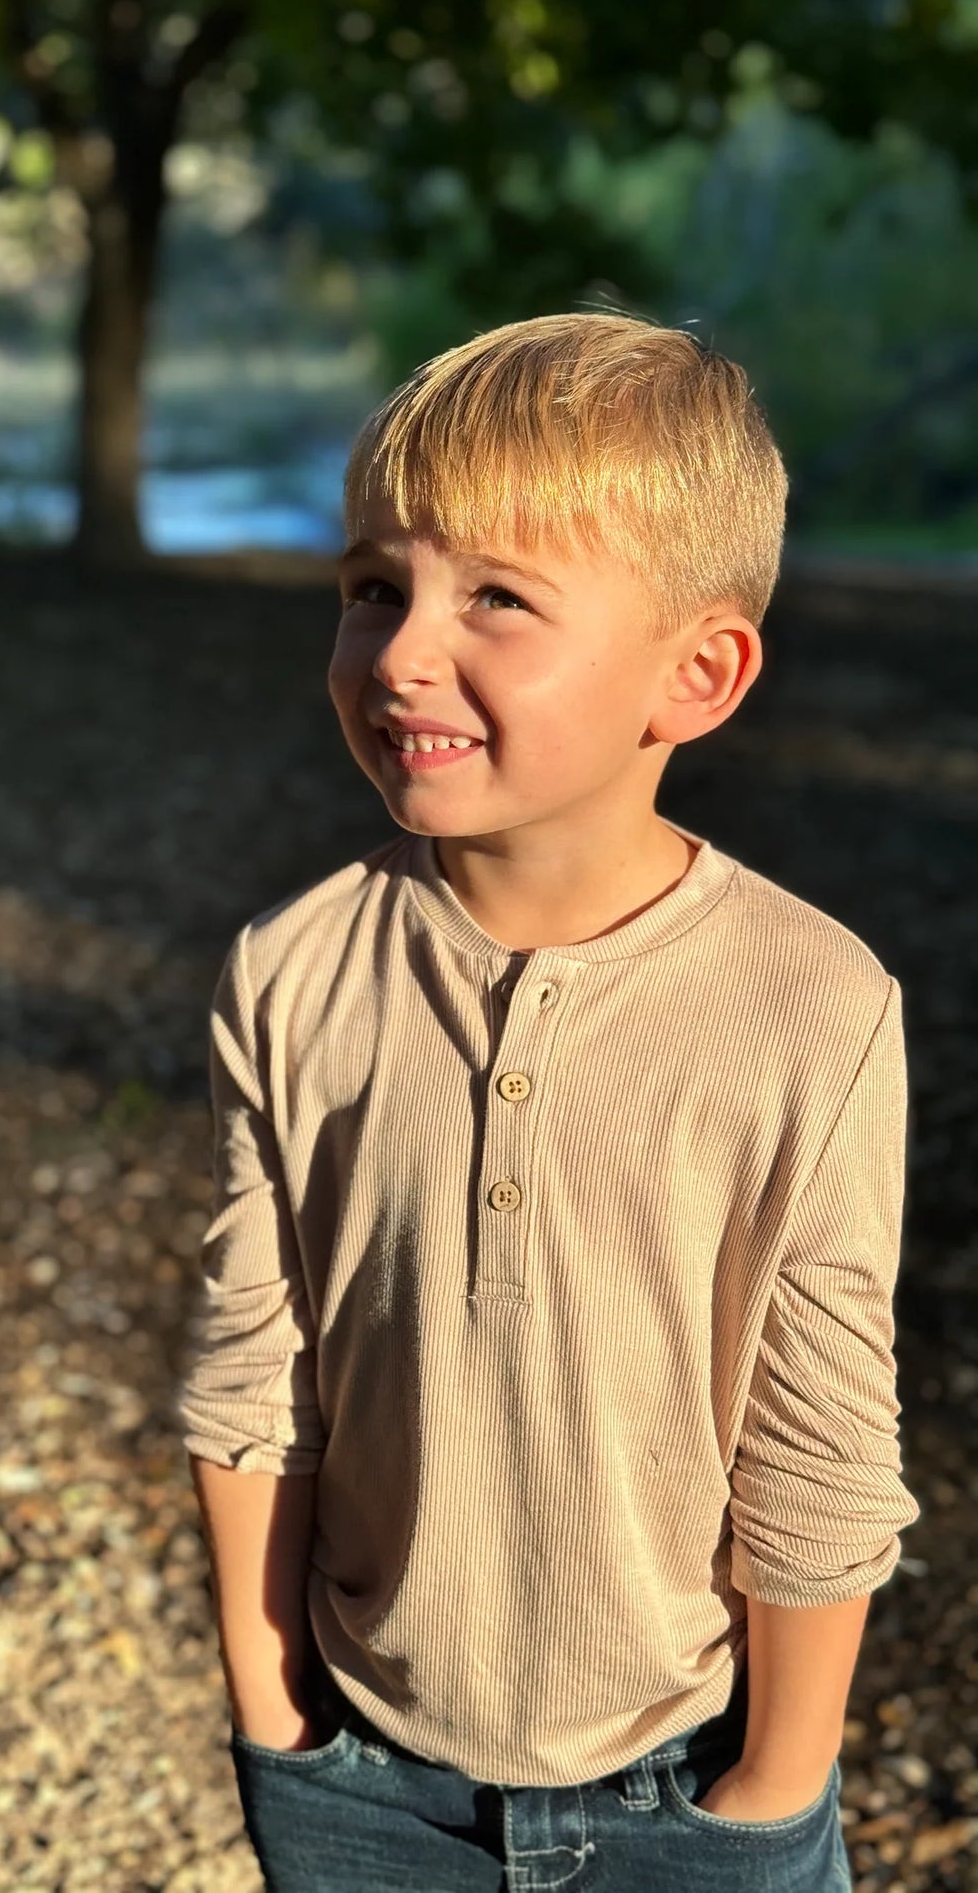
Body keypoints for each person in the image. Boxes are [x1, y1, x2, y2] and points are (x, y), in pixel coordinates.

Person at [173, 311, 921, 1892]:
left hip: (690, 1781)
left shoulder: (810, 1004)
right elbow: (255, 1370)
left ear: (695, 673)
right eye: (374, 586)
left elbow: (820, 1433)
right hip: (364, 1774)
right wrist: (277, 1723)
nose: (398, 652)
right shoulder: (295, 971)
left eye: (495, 598)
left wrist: (771, 1790)